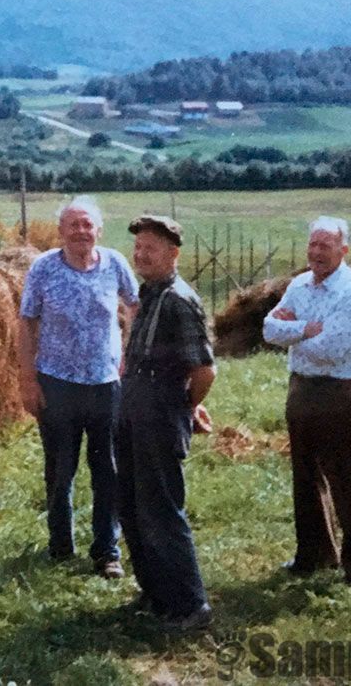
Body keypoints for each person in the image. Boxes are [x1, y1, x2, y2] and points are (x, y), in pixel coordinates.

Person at [18, 195, 139, 579]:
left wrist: (128, 355)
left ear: (98, 231)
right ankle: (60, 545)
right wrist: (27, 379)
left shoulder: (114, 264)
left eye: (87, 225)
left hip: (106, 383)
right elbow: (26, 323)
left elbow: (136, 305)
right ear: (60, 232)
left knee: (108, 468)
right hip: (57, 384)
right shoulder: (44, 269)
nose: (81, 232)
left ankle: (107, 551)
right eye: (73, 225)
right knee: (60, 467)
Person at [262, 215, 351, 586]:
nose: (316, 252)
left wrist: (293, 335)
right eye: (312, 245)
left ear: (343, 250)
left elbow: (330, 349)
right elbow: (268, 330)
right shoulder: (300, 285)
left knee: (346, 476)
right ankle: (313, 555)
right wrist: (303, 329)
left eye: (325, 246)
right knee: (305, 475)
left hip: (339, 392)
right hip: (301, 389)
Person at [116, 214, 216, 629]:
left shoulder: (179, 300)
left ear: (173, 254)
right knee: (132, 505)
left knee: (160, 508)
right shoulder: (149, 293)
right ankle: (155, 592)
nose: (140, 255)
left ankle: (191, 605)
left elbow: (204, 370)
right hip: (133, 403)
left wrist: (184, 406)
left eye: (150, 249)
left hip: (159, 410)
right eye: (137, 248)